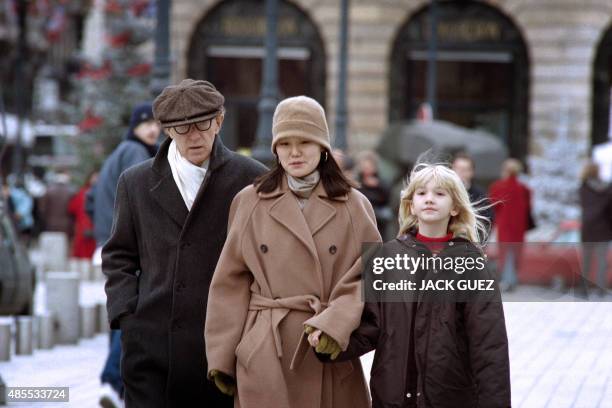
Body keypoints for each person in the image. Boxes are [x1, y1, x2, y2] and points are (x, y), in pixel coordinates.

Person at [205, 96, 381, 408]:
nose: (295, 152)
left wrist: (335, 324)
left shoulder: (354, 205)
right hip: (265, 352)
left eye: (305, 142)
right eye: (285, 143)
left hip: (325, 348)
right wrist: (222, 356)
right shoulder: (250, 201)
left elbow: (369, 275)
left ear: (323, 147)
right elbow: (229, 282)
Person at [103, 79, 267, 407]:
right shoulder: (135, 182)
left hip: (223, 351)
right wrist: (127, 315)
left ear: (219, 121)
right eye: (181, 127)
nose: (193, 135)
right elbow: (119, 254)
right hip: (151, 348)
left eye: (202, 124)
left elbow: (267, 256)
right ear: (165, 130)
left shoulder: (252, 177)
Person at [320, 163, 510, 407]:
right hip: (393, 394)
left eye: (440, 194)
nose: (429, 199)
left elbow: (488, 344)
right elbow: (372, 324)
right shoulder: (388, 257)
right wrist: (333, 341)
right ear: (411, 204)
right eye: (422, 193)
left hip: (449, 396)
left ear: (455, 208)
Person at [89, 102, 161, 408]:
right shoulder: (135, 153)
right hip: (130, 243)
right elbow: (145, 196)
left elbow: (91, 200)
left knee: (121, 305)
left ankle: (114, 382)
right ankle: (112, 379)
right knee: (132, 309)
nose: (153, 129)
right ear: (134, 127)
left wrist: (103, 231)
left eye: (156, 124)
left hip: (112, 240)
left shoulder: (119, 152)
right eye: (146, 124)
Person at [488, 158, 533, 292]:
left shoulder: (497, 186)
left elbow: (493, 206)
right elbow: (528, 208)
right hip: (519, 227)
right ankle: (512, 278)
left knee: (505, 252)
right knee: (515, 252)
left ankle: (507, 280)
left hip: (504, 225)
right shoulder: (524, 189)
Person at [579, 161, 612, 297]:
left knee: (586, 261)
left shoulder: (583, 188)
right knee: (602, 261)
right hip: (604, 228)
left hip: (588, 228)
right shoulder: (608, 188)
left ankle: (584, 289)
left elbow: (584, 207)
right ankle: (601, 290)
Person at [451, 152, 493, 229]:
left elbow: (487, 220)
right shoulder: (444, 192)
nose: (460, 173)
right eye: (457, 168)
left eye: (465, 169)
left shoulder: (480, 195)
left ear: (472, 172)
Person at [356, 150, 392, 239]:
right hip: (362, 220)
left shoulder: (381, 182)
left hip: (379, 221)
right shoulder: (357, 182)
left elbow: (388, 198)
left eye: (369, 166)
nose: (366, 169)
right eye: (364, 166)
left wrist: (378, 185)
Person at [68, 170, 98, 259]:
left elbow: (72, 208)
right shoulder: (83, 192)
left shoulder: (83, 192)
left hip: (92, 228)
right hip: (84, 227)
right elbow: (73, 208)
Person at [39, 169, 75, 238]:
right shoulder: (72, 191)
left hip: (50, 224)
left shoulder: (48, 190)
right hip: (66, 226)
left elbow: (42, 209)